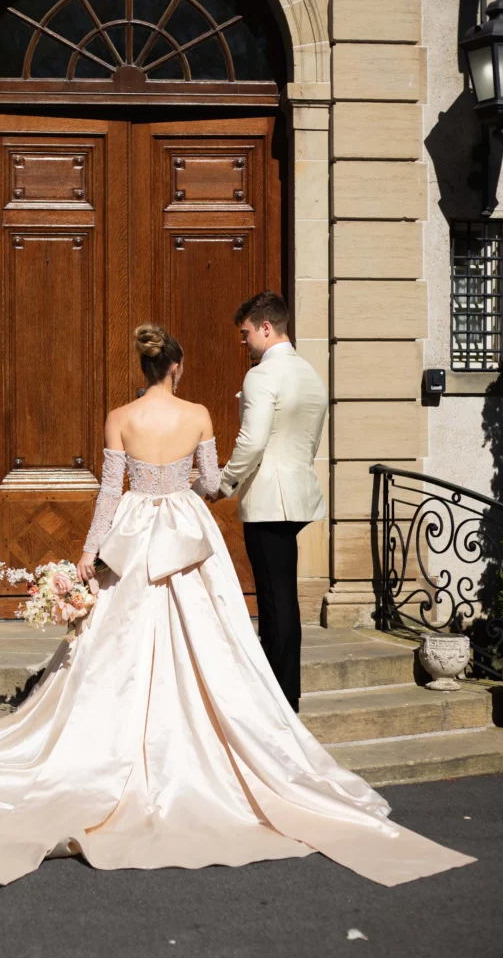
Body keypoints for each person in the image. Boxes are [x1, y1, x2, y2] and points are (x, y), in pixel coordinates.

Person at [0, 324, 474, 894]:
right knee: (216, 637)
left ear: (145, 368)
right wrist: (202, 489)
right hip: (188, 531)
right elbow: (214, 479)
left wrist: (89, 554)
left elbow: (110, 493)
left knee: (116, 642)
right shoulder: (199, 416)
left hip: (136, 530)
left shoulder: (120, 418)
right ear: (178, 366)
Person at [209, 291, 327, 714]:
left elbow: (253, 440)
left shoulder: (261, 375)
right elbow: (310, 440)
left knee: (275, 601)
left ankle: (280, 696)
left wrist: (223, 485)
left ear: (265, 327)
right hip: (296, 493)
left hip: (267, 499)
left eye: (245, 334)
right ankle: (284, 690)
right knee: (284, 597)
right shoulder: (311, 373)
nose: (243, 343)